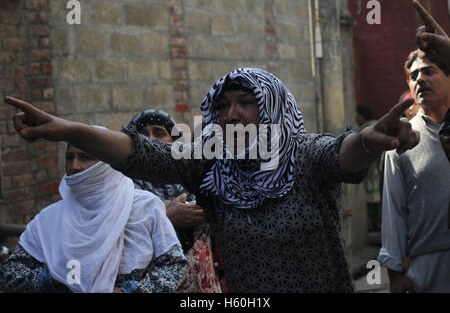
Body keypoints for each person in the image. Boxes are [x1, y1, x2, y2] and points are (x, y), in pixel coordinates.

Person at [4, 64, 420, 292]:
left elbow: (342, 153)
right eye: (223, 106)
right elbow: (145, 153)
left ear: (273, 108)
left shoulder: (303, 155)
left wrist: (369, 139)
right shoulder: (212, 164)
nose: (232, 115)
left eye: (245, 103)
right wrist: (70, 130)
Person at [0, 130, 188, 293]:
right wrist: (56, 281)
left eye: (85, 157)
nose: (74, 166)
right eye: (69, 157)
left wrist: (130, 291)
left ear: (107, 161)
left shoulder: (143, 206)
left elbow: (174, 265)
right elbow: (10, 273)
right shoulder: (49, 219)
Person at [378, 43, 450, 293]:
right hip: (428, 268)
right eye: (414, 75)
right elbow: (393, 212)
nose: (420, 79)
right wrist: (395, 273)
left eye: (429, 71)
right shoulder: (400, 141)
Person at [128, 109, 222, 293]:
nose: (150, 139)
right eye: (143, 134)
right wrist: (162, 215)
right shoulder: (126, 190)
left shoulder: (196, 179)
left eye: (159, 132)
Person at [355, 105, 381, 232]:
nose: (356, 118)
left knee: (372, 195)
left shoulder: (364, 129)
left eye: (357, 115)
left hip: (371, 167)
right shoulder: (377, 125)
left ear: (362, 115)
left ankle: (374, 223)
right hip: (378, 167)